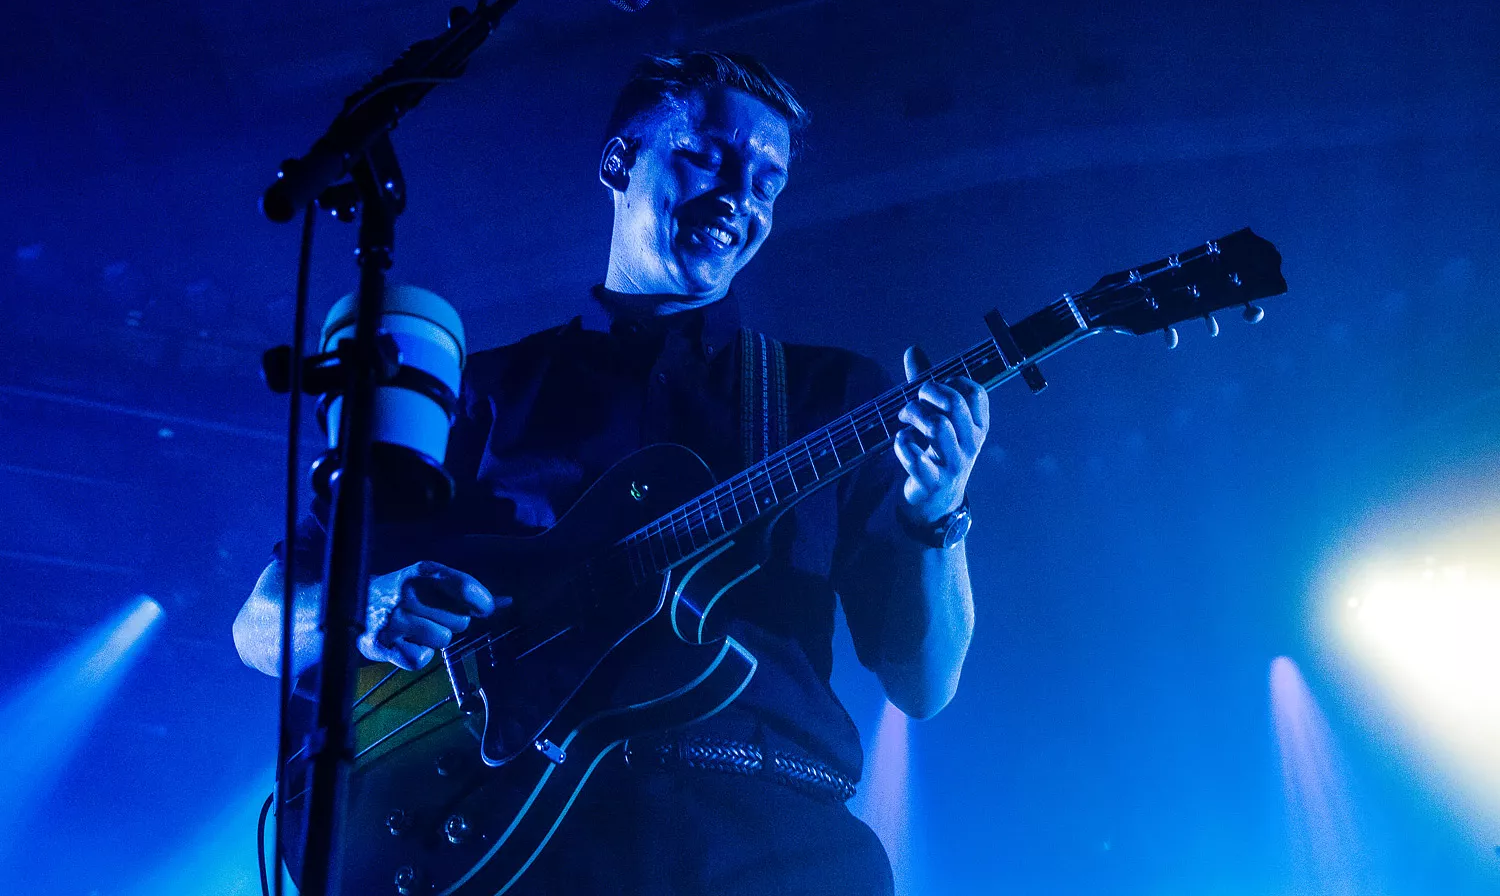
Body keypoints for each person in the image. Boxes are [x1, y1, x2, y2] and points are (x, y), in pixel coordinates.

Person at [233, 50, 987, 895]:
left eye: (768, 182)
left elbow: (923, 685)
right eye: (707, 156)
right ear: (619, 163)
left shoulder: (830, 396)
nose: (739, 196)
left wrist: (938, 514)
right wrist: (366, 610)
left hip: (773, 841)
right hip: (525, 841)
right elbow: (258, 625)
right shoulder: (483, 391)